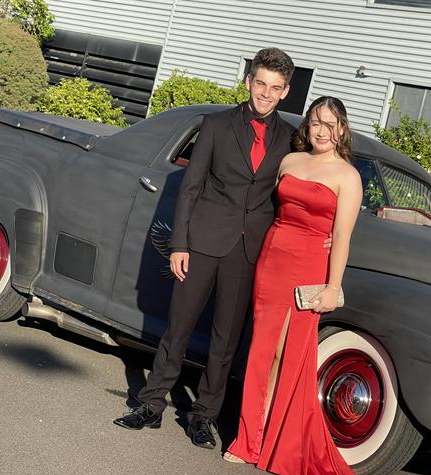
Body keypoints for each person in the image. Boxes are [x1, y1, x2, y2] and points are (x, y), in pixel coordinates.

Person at [114, 48, 330, 450]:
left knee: (225, 340)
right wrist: (180, 244)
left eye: (275, 87)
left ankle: (203, 416)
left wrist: (325, 232)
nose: (266, 93)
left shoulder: (291, 139)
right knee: (177, 327)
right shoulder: (213, 125)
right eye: (260, 83)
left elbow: (302, 192)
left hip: (249, 251)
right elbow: (190, 188)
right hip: (202, 243)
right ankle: (151, 404)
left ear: (286, 92)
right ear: (249, 81)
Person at [223, 96, 367, 475]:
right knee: (261, 351)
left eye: (330, 124)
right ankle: (247, 440)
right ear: (309, 125)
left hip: (309, 268)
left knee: (289, 354)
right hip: (272, 260)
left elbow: (341, 238)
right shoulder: (290, 162)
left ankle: (273, 444)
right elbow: (264, 206)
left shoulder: (348, 177)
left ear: (342, 129)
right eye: (316, 122)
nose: (322, 130)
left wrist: (332, 286)